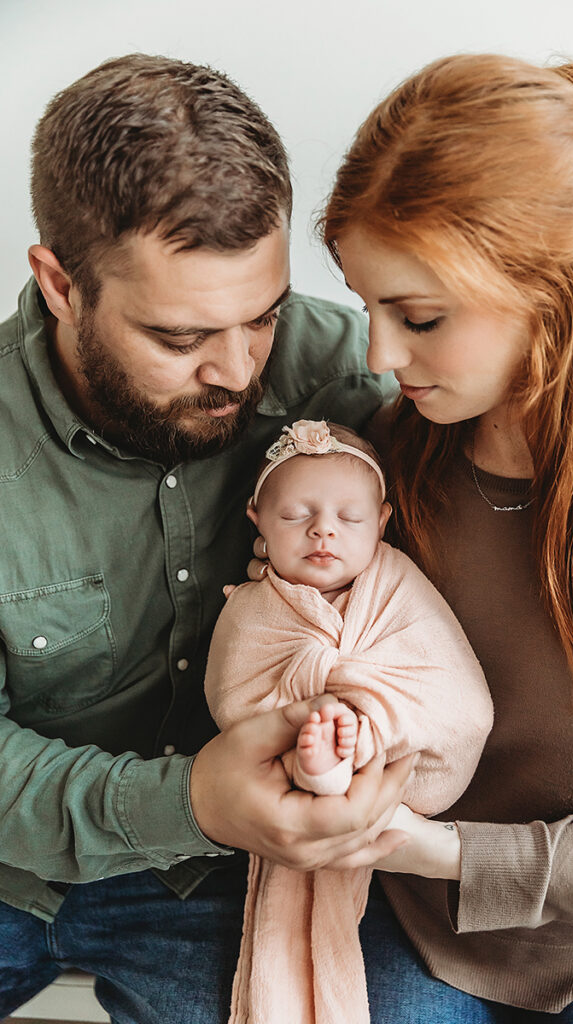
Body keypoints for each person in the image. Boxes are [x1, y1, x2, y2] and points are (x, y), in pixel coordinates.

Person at [0, 54, 415, 1024]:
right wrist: (187, 799)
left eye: (260, 317)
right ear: (60, 283)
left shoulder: (345, 376)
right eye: (180, 338)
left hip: (223, 881)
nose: (236, 371)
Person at [316, 54, 573, 1021]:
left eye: (420, 317)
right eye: (366, 306)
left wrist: (438, 849)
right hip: (419, 923)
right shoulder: (385, 462)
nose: (378, 357)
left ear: (551, 289)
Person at [204, 418, 493, 1024]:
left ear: (383, 521)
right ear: (256, 518)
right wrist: (305, 704)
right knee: (276, 737)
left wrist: (367, 712)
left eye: (349, 518)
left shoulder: (400, 584)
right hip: (284, 770)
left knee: (375, 719)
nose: (323, 530)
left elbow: (453, 689)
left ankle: (339, 755)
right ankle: (320, 763)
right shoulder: (254, 606)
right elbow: (234, 695)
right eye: (295, 516)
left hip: (404, 774)